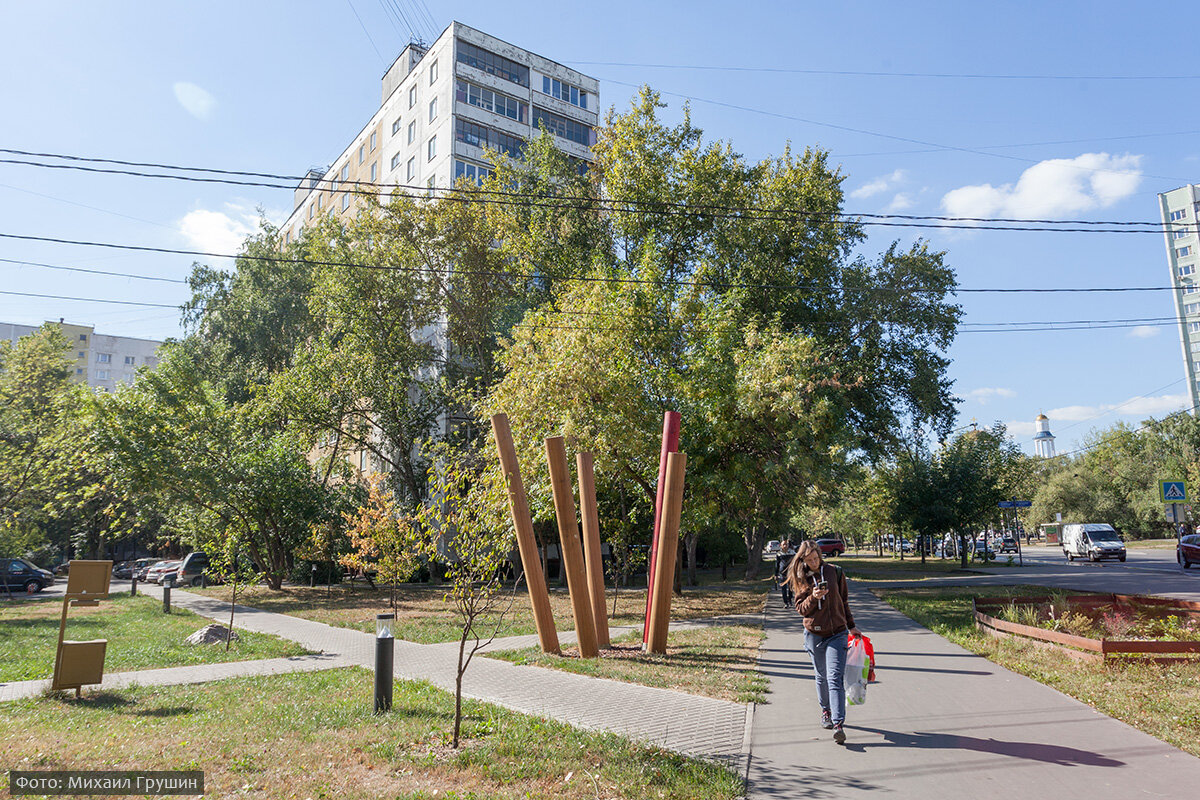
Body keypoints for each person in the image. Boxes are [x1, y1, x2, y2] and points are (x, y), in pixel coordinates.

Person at [786, 540, 861, 744]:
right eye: (809, 560)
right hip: (815, 635)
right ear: (803, 560)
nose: (814, 562)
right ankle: (826, 711)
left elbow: (844, 600)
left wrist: (851, 625)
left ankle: (838, 724)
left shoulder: (834, 572)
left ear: (820, 555)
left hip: (837, 633)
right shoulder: (801, 578)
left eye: (816, 558)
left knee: (834, 677)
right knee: (821, 676)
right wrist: (813, 596)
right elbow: (801, 609)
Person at [774, 540, 796, 606]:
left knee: (790, 588)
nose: (785, 546)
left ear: (788, 545)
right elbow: (777, 564)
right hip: (782, 573)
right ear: (781, 545)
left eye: (786, 544)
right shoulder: (779, 554)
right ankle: (785, 602)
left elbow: (795, 563)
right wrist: (776, 574)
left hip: (790, 573)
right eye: (783, 544)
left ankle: (790, 600)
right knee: (783, 588)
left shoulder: (792, 553)